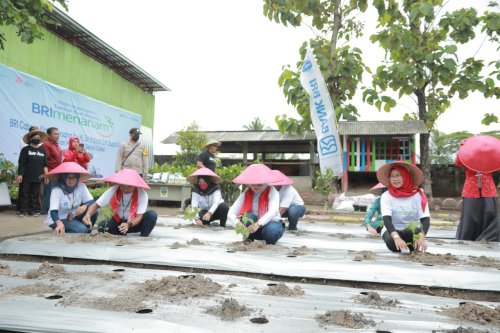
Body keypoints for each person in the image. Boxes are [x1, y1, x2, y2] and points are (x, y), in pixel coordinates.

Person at [83, 169, 157, 237]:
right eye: (122, 185)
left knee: (151, 215)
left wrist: (128, 225)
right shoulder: (114, 190)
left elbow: (139, 217)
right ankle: (121, 232)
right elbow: (96, 205)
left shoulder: (142, 194)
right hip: (118, 221)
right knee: (101, 226)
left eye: (129, 186)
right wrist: (88, 215)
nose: (125, 188)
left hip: (133, 223)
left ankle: (143, 237)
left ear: (135, 185)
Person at [377, 161, 430, 253]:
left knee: (415, 243)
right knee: (392, 243)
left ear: (405, 176)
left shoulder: (418, 195)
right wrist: (396, 238)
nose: (395, 179)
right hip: (392, 230)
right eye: (392, 176)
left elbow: (425, 219)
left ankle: (414, 244)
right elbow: (387, 220)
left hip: (411, 229)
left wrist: (422, 237)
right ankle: (398, 242)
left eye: (398, 175)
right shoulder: (386, 195)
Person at [455, 135, 500, 242]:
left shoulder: (490, 160)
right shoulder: (468, 157)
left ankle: (488, 237)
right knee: (470, 216)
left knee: (490, 212)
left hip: (488, 190)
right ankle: (468, 237)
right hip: (471, 190)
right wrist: (461, 149)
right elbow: (457, 162)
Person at [228, 164, 284, 245]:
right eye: (253, 184)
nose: (256, 186)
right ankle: (249, 238)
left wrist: (258, 224)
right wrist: (237, 223)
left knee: (270, 232)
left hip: (272, 224)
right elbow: (230, 213)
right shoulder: (246, 192)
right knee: (246, 218)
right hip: (253, 228)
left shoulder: (272, 191)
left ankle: (269, 242)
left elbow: (273, 211)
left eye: (259, 183)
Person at [43, 162, 97, 234]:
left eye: (73, 178)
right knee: (81, 229)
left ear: (77, 178)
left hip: (73, 217)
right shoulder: (56, 190)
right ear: (63, 178)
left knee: (94, 211)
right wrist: (59, 223)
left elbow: (92, 201)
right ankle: (79, 230)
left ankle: (85, 231)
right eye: (68, 178)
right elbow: (53, 212)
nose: (71, 181)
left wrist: (85, 206)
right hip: (58, 219)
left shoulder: (81, 186)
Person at [16, 128, 48, 217]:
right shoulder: (25, 150)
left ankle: (32, 210)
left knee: (35, 194)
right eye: (35, 137)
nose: (37, 138)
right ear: (30, 139)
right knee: (25, 193)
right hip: (26, 176)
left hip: (38, 177)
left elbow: (45, 165)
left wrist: (46, 176)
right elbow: (21, 163)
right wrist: (20, 174)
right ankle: (23, 210)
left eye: (38, 137)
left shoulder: (43, 151)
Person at [41, 127, 63, 215]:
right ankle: (45, 211)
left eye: (58, 134)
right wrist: (46, 174)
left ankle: (53, 209)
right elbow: (45, 160)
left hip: (58, 172)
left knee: (56, 191)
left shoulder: (57, 145)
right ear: (49, 135)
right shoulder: (46, 144)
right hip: (50, 172)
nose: (57, 135)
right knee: (49, 191)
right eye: (55, 134)